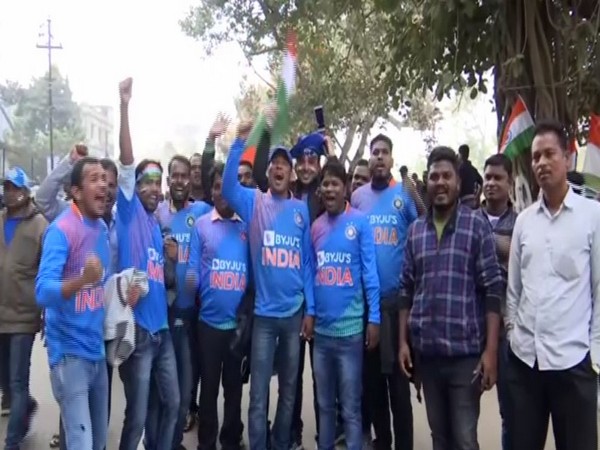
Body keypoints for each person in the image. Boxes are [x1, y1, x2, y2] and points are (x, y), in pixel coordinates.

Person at [398, 146, 503, 450]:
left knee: (464, 439)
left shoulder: (476, 225)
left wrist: (491, 352)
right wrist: (404, 343)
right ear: (426, 183)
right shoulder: (416, 231)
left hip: (465, 358)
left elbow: (493, 289)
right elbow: (406, 288)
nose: (440, 182)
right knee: (440, 439)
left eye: (447, 176)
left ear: (458, 182)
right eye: (434, 176)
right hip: (427, 356)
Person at [505, 120, 600, 450]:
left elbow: (599, 291)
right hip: (525, 363)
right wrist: (512, 333)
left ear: (568, 158)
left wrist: (595, 354)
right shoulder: (524, 221)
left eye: (549, 154)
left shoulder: (592, 216)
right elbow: (513, 290)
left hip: (574, 364)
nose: (541, 163)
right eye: (535, 157)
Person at [222, 127, 315, 450]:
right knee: (259, 393)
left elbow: (306, 264)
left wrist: (311, 311)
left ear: (291, 174)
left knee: (289, 391)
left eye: (284, 165)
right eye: (274, 164)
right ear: (268, 171)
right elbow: (227, 186)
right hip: (262, 316)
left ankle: (279, 443)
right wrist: (238, 142)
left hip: (294, 316)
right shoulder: (253, 202)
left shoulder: (301, 210)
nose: (278, 169)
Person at [115, 78, 180, 450]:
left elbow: (167, 280)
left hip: (163, 332)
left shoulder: (158, 228)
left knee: (171, 403)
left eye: (160, 182)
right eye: (148, 181)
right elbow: (125, 163)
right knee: (136, 417)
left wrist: (174, 263)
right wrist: (124, 106)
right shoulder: (129, 214)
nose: (155, 188)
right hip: (137, 335)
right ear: (136, 187)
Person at [35, 157, 112, 450]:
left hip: (96, 352)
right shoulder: (62, 229)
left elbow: (102, 281)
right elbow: (42, 292)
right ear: (76, 192)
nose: (103, 184)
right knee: (82, 443)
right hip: (69, 356)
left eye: (105, 179)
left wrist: (123, 289)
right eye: (94, 179)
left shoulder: (102, 230)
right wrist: (81, 280)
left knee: (99, 443)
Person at [351, 134, 417, 450]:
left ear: (392, 159)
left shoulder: (404, 194)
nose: (379, 157)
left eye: (384, 153)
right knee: (373, 385)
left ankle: (404, 443)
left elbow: (419, 238)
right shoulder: (359, 197)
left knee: (399, 387)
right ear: (369, 157)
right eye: (375, 152)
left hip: (396, 305)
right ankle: (383, 441)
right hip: (366, 306)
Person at [311, 160, 380, 450]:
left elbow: (370, 273)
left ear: (346, 188)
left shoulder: (360, 223)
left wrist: (374, 318)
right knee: (325, 407)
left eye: (335, 183)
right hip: (322, 336)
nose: (329, 189)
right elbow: (308, 272)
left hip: (351, 334)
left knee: (351, 409)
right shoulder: (315, 227)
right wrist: (311, 313)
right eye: (325, 183)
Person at [188, 161, 247, 450]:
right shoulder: (200, 226)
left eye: (227, 187)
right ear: (210, 191)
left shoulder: (246, 225)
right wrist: (187, 280)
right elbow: (192, 271)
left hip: (238, 326)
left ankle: (231, 440)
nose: (221, 192)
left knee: (234, 389)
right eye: (216, 187)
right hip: (208, 324)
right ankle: (206, 443)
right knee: (208, 389)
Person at [152, 155, 211, 449]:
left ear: (191, 180)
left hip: (194, 317)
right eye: (174, 175)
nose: (179, 180)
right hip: (165, 317)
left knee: (186, 391)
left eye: (184, 175)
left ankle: (172, 441)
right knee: (166, 394)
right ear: (168, 180)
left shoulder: (202, 212)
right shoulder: (158, 214)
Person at [0, 167, 46, 450]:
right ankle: (26, 404)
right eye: (6, 187)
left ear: (26, 191)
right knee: (6, 383)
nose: (9, 192)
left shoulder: (41, 225)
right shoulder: (0, 219)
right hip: (0, 313)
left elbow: (47, 271)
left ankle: (12, 442)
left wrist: (44, 313)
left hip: (24, 317)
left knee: (17, 381)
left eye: (14, 187)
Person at [478, 153, 518, 450]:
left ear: (510, 182)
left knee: (511, 411)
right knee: (462, 410)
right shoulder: (466, 219)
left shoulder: (522, 224)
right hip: (469, 326)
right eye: (487, 177)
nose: (491, 183)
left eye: (497, 178)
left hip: (506, 330)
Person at [457, 144, 483, 209]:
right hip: (473, 199)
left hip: (463, 201)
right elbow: (482, 182)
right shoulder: (473, 169)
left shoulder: (460, 169)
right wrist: (478, 196)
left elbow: (458, 184)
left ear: (460, 154)